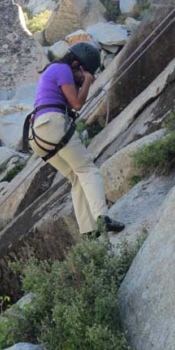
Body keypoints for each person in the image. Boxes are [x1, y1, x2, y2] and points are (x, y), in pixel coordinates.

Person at [26, 41, 125, 236]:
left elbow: (69, 104)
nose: (82, 78)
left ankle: (88, 231)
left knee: (76, 177)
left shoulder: (54, 71)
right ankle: (102, 218)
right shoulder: (62, 69)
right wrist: (88, 80)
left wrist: (85, 80)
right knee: (87, 168)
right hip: (52, 124)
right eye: (83, 72)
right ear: (77, 64)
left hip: (36, 135)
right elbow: (77, 103)